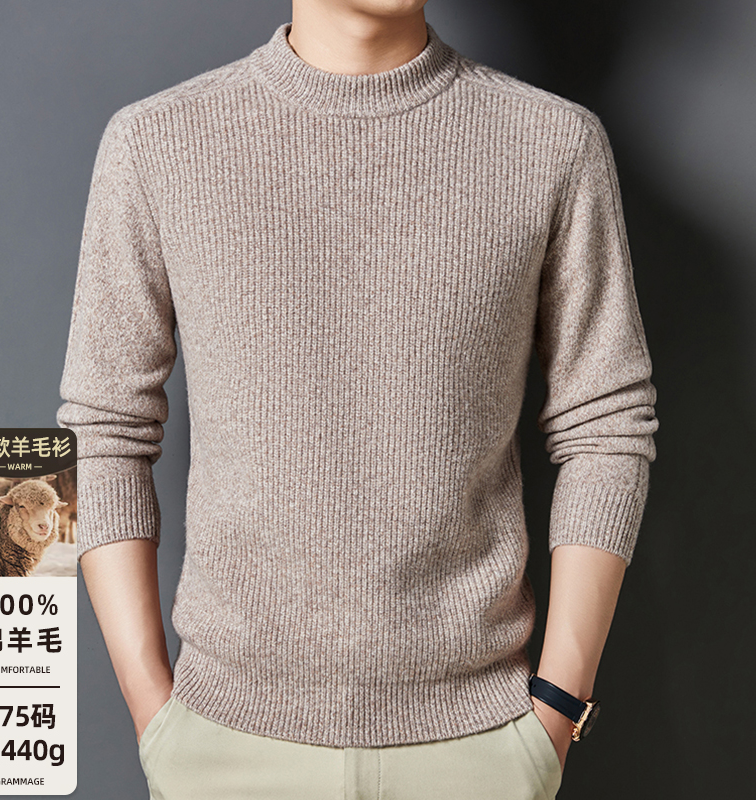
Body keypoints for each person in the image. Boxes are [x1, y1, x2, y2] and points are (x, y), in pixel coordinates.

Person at [58, 1, 658, 798]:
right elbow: (101, 429)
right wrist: (154, 714)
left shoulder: (552, 141)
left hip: (478, 747)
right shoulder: (156, 141)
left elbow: (608, 423)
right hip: (225, 746)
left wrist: (555, 711)